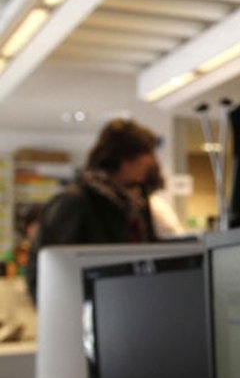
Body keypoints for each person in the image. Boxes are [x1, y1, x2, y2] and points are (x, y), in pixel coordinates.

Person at [25, 119, 160, 300]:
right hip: (86, 309)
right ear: (126, 158)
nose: (152, 161)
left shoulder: (136, 203)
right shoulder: (74, 203)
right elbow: (51, 271)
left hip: (127, 303)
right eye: (147, 153)